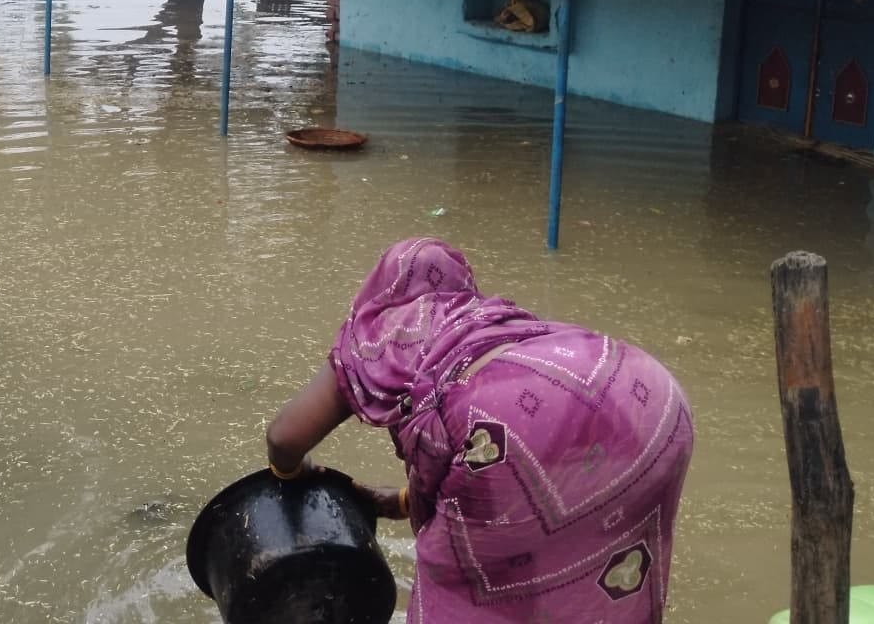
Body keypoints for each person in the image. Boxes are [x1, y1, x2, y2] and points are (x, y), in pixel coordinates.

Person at [264, 237, 694, 622]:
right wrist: (400, 502)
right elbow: (546, 444)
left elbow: (285, 437)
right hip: (650, 395)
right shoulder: (486, 318)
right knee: (601, 562)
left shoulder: (375, 336)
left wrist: (293, 475)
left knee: (468, 590)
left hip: (517, 424)